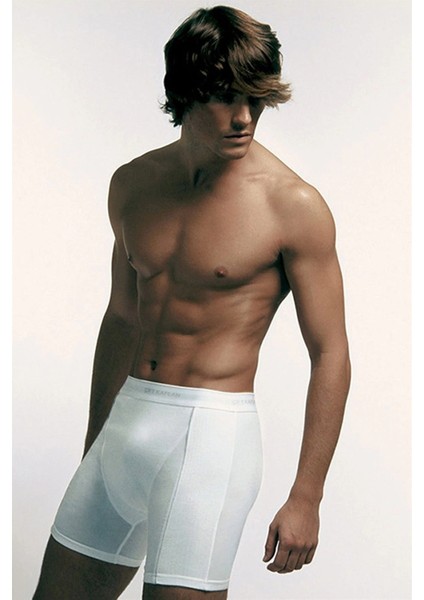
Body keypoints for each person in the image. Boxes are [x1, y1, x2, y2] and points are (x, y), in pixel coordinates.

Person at [33, 5, 351, 600]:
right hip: (124, 431)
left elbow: (330, 352)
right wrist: (95, 442)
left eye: (256, 99)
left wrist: (307, 496)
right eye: (226, 97)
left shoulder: (292, 205)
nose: (244, 117)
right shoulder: (133, 184)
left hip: (210, 445)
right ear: (185, 93)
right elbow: (123, 317)